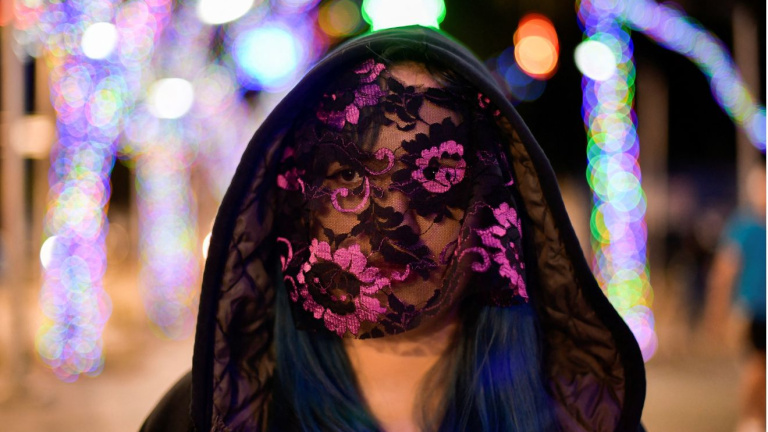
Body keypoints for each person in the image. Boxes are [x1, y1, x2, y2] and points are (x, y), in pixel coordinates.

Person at [141, 26, 646, 432]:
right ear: (298, 204)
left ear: (491, 207)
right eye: (347, 175)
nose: (391, 219)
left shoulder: (585, 417)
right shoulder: (205, 417)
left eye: (435, 175)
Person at [705, 162, 765, 432]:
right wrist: (717, 313)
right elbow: (724, 272)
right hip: (752, 309)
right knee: (756, 365)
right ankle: (751, 419)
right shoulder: (743, 226)